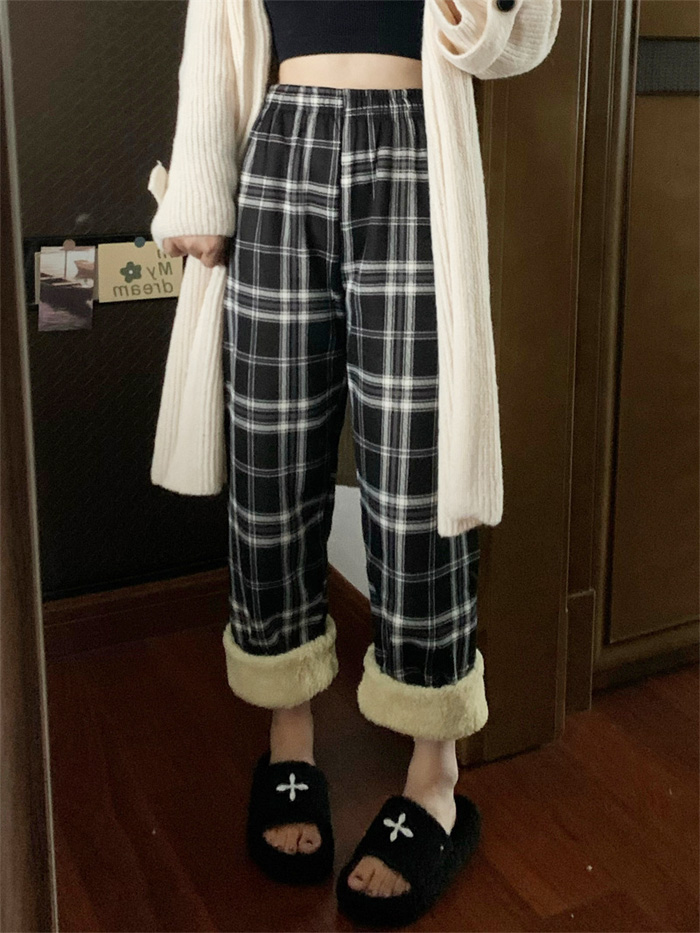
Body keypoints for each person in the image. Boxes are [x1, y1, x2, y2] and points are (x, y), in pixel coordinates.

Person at [151, 0, 561, 924]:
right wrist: (201, 182)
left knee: (422, 478)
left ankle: (434, 774)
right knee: (271, 463)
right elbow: (212, 34)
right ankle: (288, 734)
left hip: (417, 152)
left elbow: (519, 38)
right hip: (279, 148)